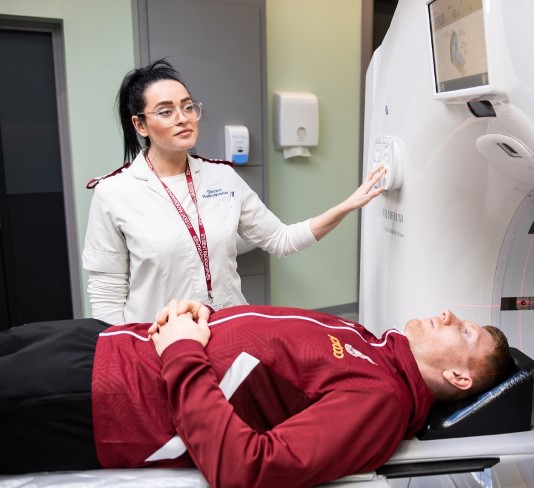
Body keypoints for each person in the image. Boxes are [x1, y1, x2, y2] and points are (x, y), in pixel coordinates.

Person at [0, 299, 514, 488]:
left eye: (463, 331)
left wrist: (181, 349)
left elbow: (244, 470)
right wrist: (200, 316)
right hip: (103, 343)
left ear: (458, 377)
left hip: (102, 396)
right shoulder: (371, 343)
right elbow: (255, 360)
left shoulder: (380, 403)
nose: (447, 314)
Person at [83, 59, 385, 324]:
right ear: (141, 125)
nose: (183, 118)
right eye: (165, 111)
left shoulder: (222, 178)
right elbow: (107, 295)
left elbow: (281, 240)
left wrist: (347, 205)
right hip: (158, 344)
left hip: (228, 333)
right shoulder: (114, 192)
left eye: (188, 107)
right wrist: (123, 356)